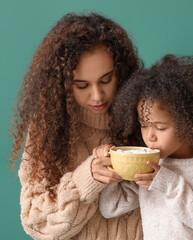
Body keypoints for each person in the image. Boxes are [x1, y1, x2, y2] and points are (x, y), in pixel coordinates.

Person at [10, 12, 144, 239]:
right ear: (62, 84)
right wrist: (86, 179)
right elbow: (37, 223)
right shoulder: (49, 129)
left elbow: (184, 181)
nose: (97, 96)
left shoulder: (146, 115)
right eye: (82, 85)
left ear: (120, 72)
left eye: (106, 80)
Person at [96, 54, 193, 239]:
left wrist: (167, 183)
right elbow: (110, 207)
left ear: (189, 124)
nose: (149, 136)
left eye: (160, 127)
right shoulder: (149, 165)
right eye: (144, 125)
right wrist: (111, 168)